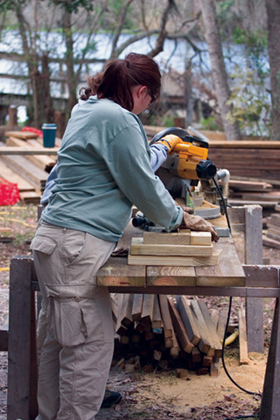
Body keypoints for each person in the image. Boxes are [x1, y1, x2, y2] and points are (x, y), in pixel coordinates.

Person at [31, 52, 218, 420]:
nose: (147, 110)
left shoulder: (85, 109)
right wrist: (180, 218)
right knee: (87, 349)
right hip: (76, 246)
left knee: (57, 345)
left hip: (54, 240)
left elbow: (112, 174)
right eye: (150, 102)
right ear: (143, 91)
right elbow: (141, 184)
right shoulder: (119, 119)